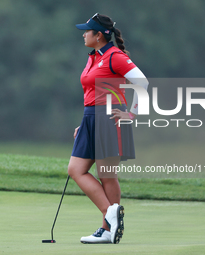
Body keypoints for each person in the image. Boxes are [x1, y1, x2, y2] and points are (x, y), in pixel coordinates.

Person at [68, 13, 149, 244]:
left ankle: (106, 228)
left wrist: (131, 113)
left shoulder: (116, 56)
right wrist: (84, 122)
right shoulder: (93, 56)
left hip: (110, 118)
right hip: (91, 118)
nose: (84, 34)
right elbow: (92, 93)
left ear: (99, 35)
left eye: (87, 31)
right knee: (76, 169)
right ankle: (110, 215)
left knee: (107, 176)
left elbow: (142, 83)